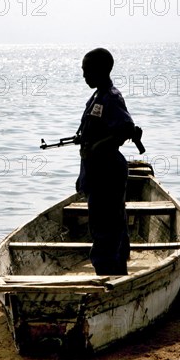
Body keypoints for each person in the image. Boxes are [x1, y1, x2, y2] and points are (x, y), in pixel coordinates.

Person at [75, 48, 135, 276]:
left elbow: (126, 128)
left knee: (106, 227)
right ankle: (114, 272)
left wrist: (98, 145)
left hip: (108, 172)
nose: (84, 75)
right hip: (97, 172)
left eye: (86, 70)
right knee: (107, 224)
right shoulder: (97, 97)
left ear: (100, 70)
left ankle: (109, 275)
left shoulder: (111, 97)